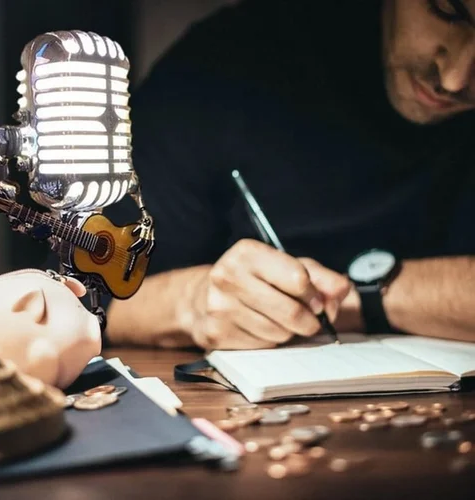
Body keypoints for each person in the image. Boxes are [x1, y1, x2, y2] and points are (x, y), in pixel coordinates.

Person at [105, 0, 475, 350]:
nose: (454, 78)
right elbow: (89, 293)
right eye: (447, 11)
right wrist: (193, 302)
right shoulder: (231, 63)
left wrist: (363, 298)